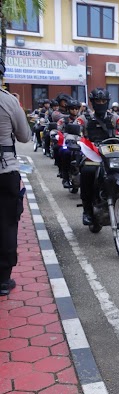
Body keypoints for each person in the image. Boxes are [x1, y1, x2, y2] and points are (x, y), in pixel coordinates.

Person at [80, 88, 119, 226]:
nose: (101, 103)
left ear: (107, 102)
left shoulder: (114, 118)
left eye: (103, 101)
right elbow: (74, 129)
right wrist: (72, 139)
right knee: (87, 172)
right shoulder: (85, 118)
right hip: (92, 152)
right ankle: (88, 210)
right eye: (98, 101)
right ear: (92, 102)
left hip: (111, 151)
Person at [0, 57, 32, 296]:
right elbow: (24, 136)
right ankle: (3, 280)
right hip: (5, 171)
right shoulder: (9, 101)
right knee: (8, 224)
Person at [57, 99, 86, 188]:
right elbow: (57, 129)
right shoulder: (63, 120)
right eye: (72, 109)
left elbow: (86, 132)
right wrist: (57, 135)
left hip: (81, 143)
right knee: (64, 153)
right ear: (68, 109)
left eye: (77, 109)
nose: (75, 110)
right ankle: (65, 178)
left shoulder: (83, 119)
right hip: (67, 143)